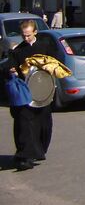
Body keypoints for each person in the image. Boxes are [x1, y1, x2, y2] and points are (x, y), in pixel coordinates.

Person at [2, 19, 57, 170]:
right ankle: (24, 156)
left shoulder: (44, 47)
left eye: (28, 35)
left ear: (35, 32)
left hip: (43, 92)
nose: (25, 38)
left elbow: (56, 64)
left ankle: (37, 151)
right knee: (24, 123)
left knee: (44, 124)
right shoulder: (18, 50)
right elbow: (8, 65)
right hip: (25, 93)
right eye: (23, 35)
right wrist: (11, 69)